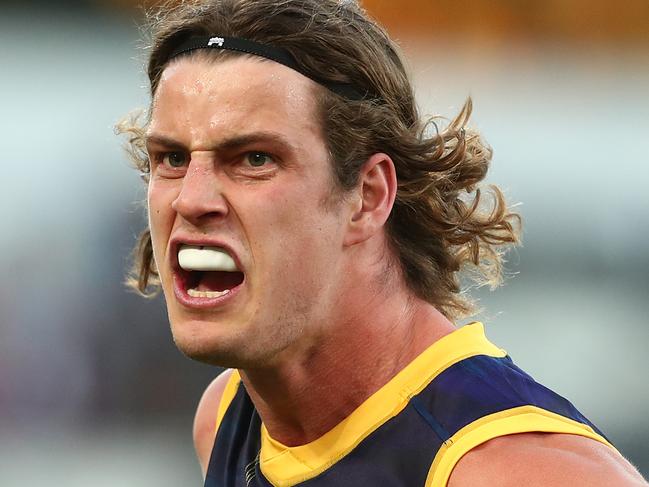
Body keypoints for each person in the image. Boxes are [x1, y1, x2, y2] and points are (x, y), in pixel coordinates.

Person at [118, 0, 647, 485]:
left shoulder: (510, 471)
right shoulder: (228, 418)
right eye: (173, 159)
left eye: (255, 159)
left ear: (368, 197)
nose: (191, 200)